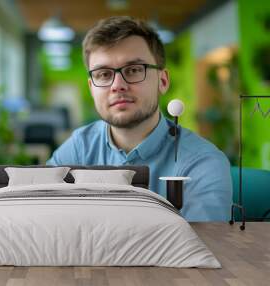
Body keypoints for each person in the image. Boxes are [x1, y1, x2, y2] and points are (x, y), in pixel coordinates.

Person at [46, 16, 232, 222]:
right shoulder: (79, 147)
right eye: (103, 74)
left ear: (162, 81)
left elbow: (200, 248)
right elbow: (42, 219)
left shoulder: (201, 162)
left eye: (134, 70)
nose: (117, 85)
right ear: (92, 88)